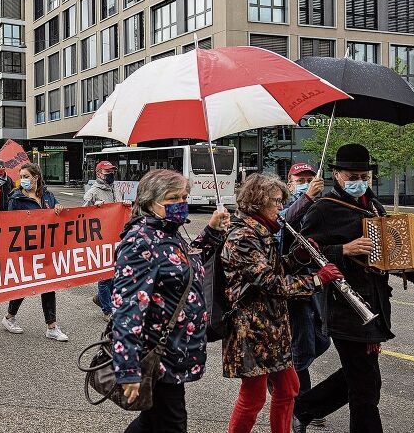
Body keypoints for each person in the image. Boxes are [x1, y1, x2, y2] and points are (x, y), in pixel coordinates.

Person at [222, 174, 343, 433]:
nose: (280, 207)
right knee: (253, 395)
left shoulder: (262, 230)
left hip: (271, 327)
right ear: (258, 202)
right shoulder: (243, 235)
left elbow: (275, 269)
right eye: (276, 202)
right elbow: (270, 282)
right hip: (252, 327)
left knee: (288, 388)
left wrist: (297, 257)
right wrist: (317, 281)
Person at [113, 169, 229, 433]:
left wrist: (211, 232)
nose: (181, 203)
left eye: (185, 196)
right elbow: (127, 308)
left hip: (176, 351)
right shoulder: (140, 241)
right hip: (157, 354)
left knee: (152, 421)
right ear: (149, 201)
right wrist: (129, 369)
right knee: (172, 424)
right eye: (173, 198)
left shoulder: (168, 233)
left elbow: (185, 265)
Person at [293, 144, 392, 433]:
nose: (359, 180)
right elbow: (303, 253)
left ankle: (304, 407)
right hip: (344, 306)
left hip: (375, 304)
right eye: (352, 175)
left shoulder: (375, 206)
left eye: (364, 175)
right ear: (336, 174)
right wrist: (342, 250)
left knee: (360, 376)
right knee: (366, 386)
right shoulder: (324, 208)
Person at [278, 163, 328, 428]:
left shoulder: (320, 206)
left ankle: (298, 397)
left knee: (321, 340)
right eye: (301, 179)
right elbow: (283, 222)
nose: (306, 182)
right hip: (294, 287)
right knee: (301, 347)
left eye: (310, 178)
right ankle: (301, 404)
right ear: (290, 183)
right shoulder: (283, 204)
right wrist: (307, 197)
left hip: (316, 285)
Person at [1, 163, 68, 341]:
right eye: (21, 176)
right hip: (26, 250)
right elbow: (10, 226)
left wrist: (59, 209)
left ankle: (51, 326)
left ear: (36, 177)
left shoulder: (47, 195)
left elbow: (56, 215)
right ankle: (9, 317)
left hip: (46, 248)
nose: (22, 180)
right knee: (25, 284)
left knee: (48, 284)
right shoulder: (16, 199)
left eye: (26, 176)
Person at [83, 160, 126, 322]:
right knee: (105, 276)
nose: (111, 175)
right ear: (99, 174)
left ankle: (102, 299)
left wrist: (125, 204)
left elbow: (121, 208)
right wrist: (95, 206)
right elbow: (83, 213)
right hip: (101, 239)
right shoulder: (93, 192)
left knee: (116, 274)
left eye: (112, 172)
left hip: (116, 237)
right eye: (108, 172)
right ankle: (107, 310)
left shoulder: (116, 188)